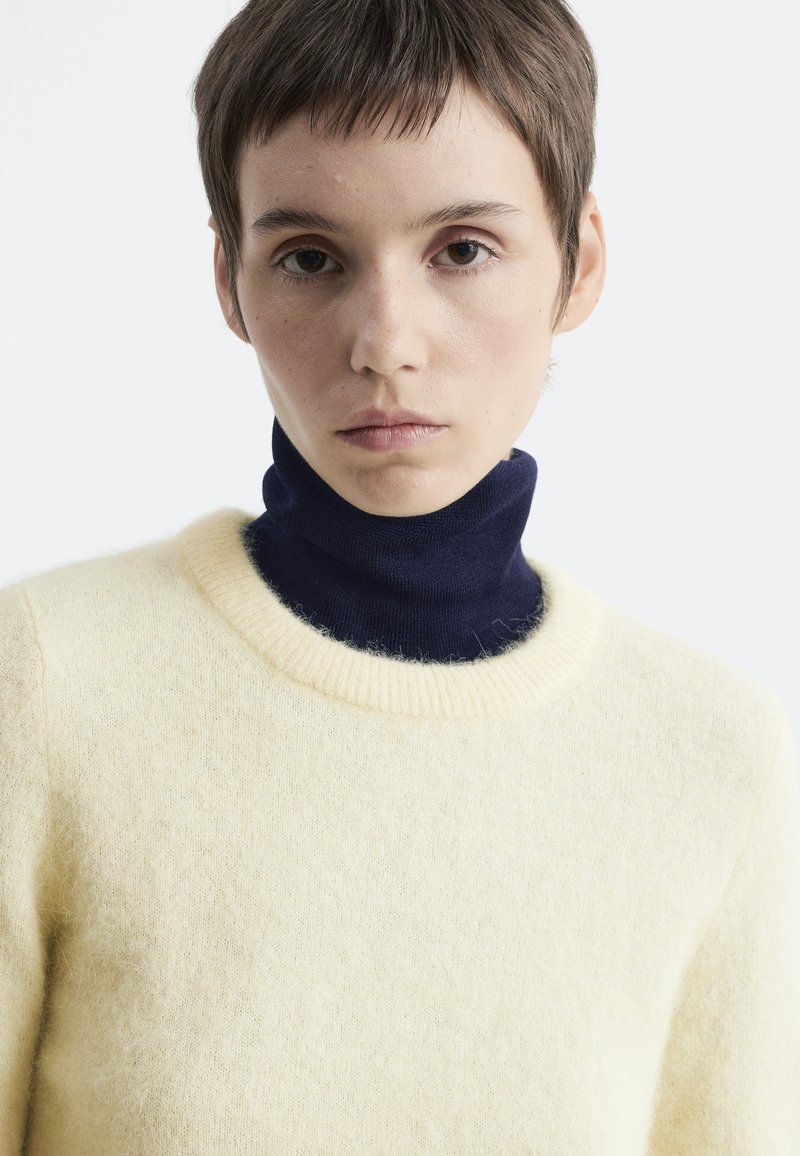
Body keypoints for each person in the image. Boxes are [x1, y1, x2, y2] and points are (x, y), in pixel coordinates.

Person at [1, 0, 798, 1151]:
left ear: (578, 262)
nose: (384, 341)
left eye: (460, 249)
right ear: (229, 280)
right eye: (308, 258)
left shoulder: (717, 759)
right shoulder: (49, 682)